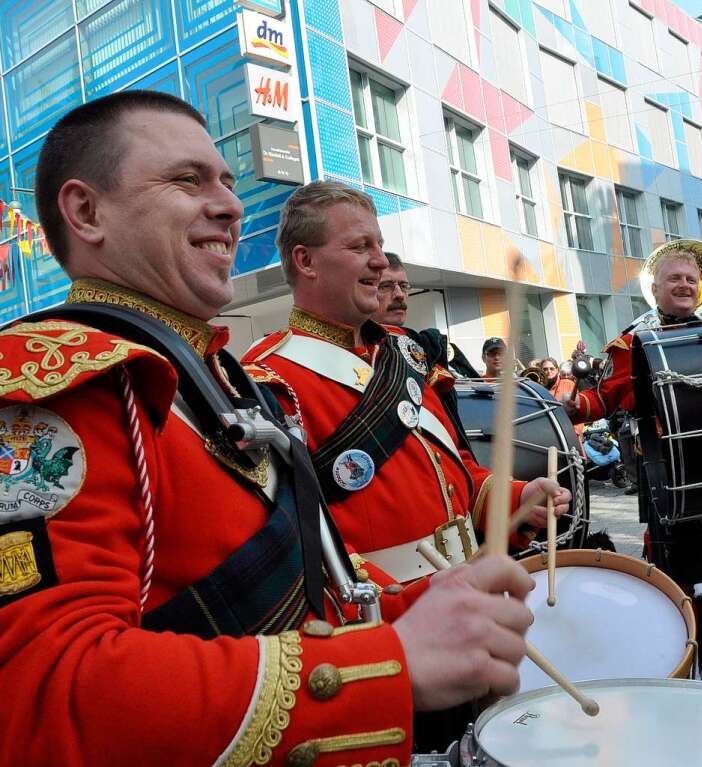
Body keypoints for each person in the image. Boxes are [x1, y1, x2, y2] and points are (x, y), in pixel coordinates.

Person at [0, 90, 535, 767]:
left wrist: (428, 601)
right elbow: (42, 692)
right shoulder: (51, 386)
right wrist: (389, 660)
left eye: (226, 181)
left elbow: (308, 576)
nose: (228, 204)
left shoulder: (217, 379)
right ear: (86, 211)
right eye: (187, 180)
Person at [243, 181, 570, 582]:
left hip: (468, 588)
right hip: (386, 616)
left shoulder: (403, 351)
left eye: (379, 246)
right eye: (361, 247)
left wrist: (517, 498)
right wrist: (408, 606)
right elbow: (291, 540)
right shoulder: (267, 377)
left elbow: (458, 475)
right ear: (305, 261)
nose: (380, 262)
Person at [561, 247, 702, 423]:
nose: (684, 285)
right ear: (655, 289)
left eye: (691, 280)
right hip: (662, 447)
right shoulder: (633, 342)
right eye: (674, 278)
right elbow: (603, 399)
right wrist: (578, 402)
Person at [372, 251, 410, 326]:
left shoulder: (414, 337)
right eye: (386, 286)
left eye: (403, 286)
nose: (400, 295)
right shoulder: (346, 336)